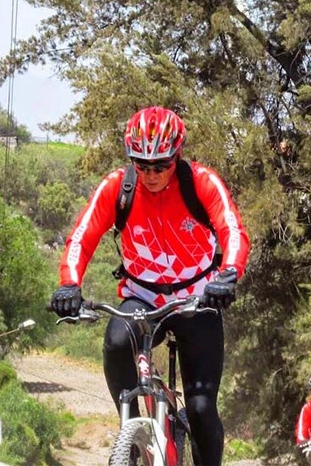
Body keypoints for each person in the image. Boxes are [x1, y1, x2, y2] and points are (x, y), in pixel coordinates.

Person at [49, 106, 250, 466]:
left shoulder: (200, 182)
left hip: (197, 299)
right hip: (141, 296)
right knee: (115, 343)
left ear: (177, 156)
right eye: (141, 165)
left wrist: (229, 273)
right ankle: (130, 428)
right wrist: (69, 284)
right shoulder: (118, 187)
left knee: (201, 409)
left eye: (161, 165)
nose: (151, 174)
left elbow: (231, 228)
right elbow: (82, 236)